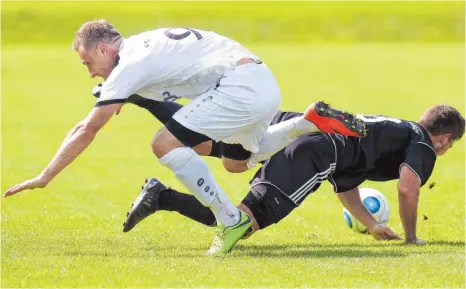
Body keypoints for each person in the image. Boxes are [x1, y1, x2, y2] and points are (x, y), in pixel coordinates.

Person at [3, 20, 366, 255]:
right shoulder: (145, 44)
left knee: (163, 144)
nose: (89, 73)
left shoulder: (128, 65)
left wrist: (45, 176)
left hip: (238, 89)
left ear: (102, 49)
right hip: (261, 80)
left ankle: (229, 220)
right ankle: (307, 121)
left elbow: (88, 128)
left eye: (86, 63)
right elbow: (162, 106)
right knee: (238, 161)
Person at [123, 104, 464, 244]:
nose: (446, 151)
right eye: (450, 146)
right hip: (314, 153)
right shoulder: (423, 145)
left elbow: (345, 182)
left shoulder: (393, 133)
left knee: (226, 153)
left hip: (298, 129)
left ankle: (154, 102)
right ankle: (162, 196)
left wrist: (372, 225)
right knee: (238, 225)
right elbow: (408, 189)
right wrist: (411, 237)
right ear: (445, 138)